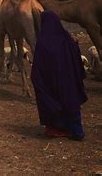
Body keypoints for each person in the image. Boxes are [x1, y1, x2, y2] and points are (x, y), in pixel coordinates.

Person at [31, 10, 87, 140]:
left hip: (53, 84)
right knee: (71, 102)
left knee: (52, 100)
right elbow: (77, 59)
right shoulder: (67, 39)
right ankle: (76, 130)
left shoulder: (43, 42)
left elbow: (37, 69)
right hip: (69, 83)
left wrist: (39, 81)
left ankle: (59, 127)